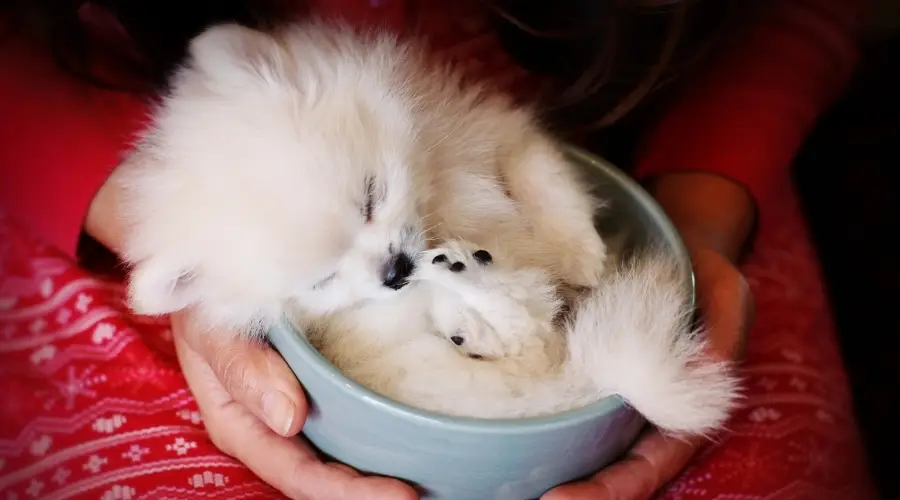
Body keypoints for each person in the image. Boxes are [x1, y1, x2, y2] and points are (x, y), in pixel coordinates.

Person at [0, 0, 876, 499]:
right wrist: (122, 201)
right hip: (87, 105)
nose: (387, 263)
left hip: (629, 81)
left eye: (375, 203)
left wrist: (703, 204)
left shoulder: (364, 102)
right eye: (326, 268)